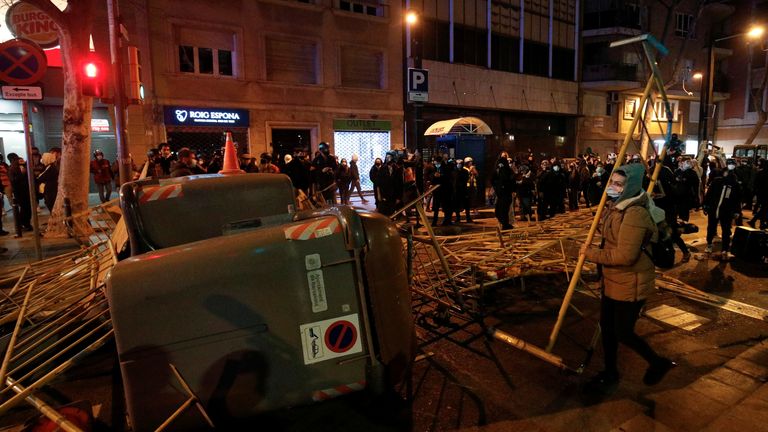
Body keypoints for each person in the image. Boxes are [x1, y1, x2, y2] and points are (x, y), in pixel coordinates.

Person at [581, 163, 674, 391]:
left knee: (622, 331)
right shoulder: (617, 206)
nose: (613, 187)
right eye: (612, 182)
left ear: (630, 186)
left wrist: (590, 254)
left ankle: (657, 362)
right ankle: (610, 372)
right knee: (607, 328)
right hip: (614, 279)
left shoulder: (634, 213)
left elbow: (625, 255)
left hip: (630, 281)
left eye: (619, 184)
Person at [703, 159, 742, 260]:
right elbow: (709, 194)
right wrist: (705, 205)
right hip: (713, 209)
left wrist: (737, 211)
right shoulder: (717, 181)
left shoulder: (734, 184)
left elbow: (737, 199)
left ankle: (725, 249)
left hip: (726, 211)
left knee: (726, 230)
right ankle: (709, 244)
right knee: (711, 228)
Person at [8, 153, 32, 233]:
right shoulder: (11, 169)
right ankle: (24, 224)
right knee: (24, 208)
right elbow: (13, 181)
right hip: (19, 191)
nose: (18, 160)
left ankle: (27, 223)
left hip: (26, 190)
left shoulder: (21, 167)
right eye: (16, 159)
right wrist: (22, 173)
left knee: (27, 208)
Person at [492, 153, 514, 229]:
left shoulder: (508, 171)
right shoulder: (498, 171)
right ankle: (504, 224)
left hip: (506, 194)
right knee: (499, 210)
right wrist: (497, 189)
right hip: (500, 194)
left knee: (504, 210)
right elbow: (493, 180)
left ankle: (505, 224)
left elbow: (511, 181)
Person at [37, 147, 61, 213]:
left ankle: (56, 221)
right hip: (52, 189)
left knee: (52, 206)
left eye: (43, 158)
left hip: (51, 190)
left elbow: (40, 178)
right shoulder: (52, 166)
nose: (42, 160)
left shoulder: (50, 167)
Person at [748, 158, 768, 229]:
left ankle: (759, 222)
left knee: (764, 208)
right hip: (765, 194)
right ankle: (758, 222)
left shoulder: (760, 172)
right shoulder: (765, 173)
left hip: (760, 193)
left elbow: (756, 183)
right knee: (764, 208)